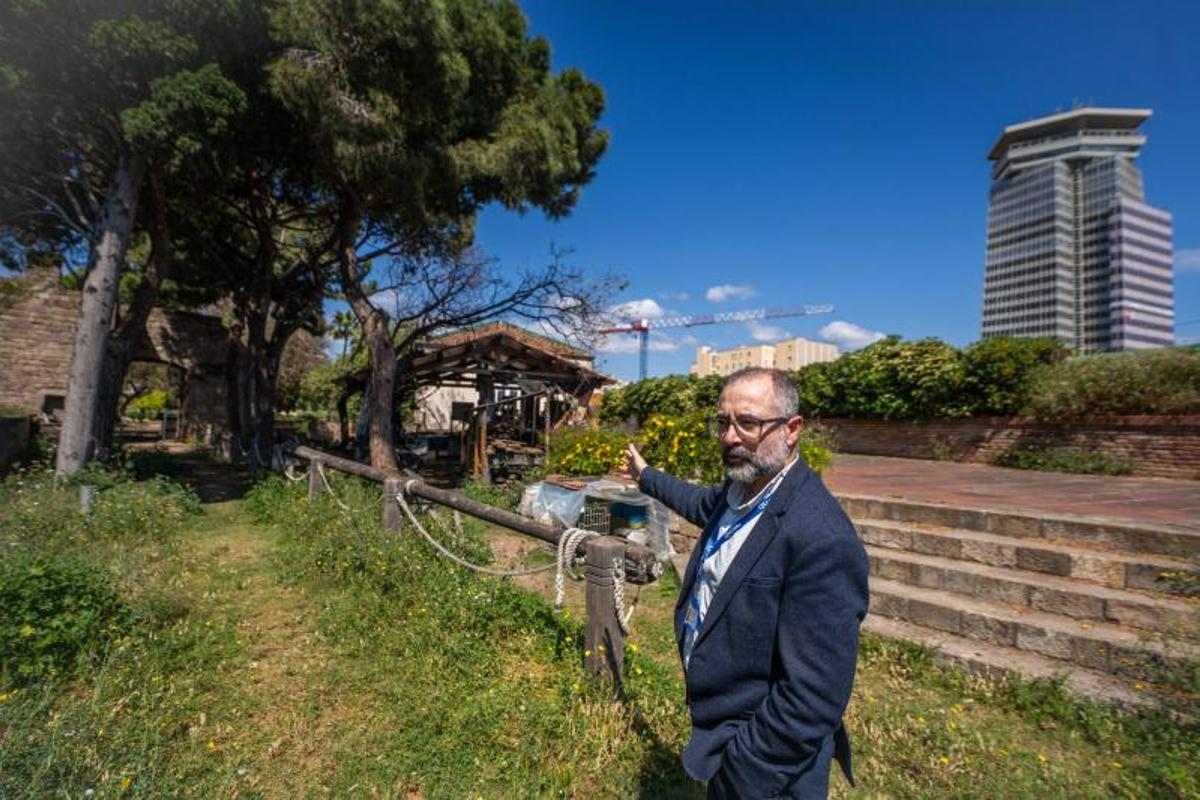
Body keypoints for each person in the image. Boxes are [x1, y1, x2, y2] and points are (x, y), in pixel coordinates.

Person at [625, 367, 868, 799]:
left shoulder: (820, 537)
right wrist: (646, 476)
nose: (729, 437)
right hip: (725, 730)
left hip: (770, 768)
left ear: (792, 430)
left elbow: (812, 696)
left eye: (749, 423)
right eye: (723, 422)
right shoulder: (742, 492)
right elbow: (699, 503)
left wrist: (744, 769)